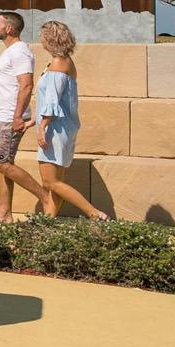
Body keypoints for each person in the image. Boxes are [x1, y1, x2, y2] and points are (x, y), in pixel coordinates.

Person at [34, 20, 109, 220]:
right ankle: (47, 221)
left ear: (50, 38)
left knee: (50, 182)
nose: (40, 41)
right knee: (55, 181)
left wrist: (42, 127)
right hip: (61, 128)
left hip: (54, 129)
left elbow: (52, 100)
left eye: (43, 36)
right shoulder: (62, 62)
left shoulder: (59, 63)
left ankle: (94, 214)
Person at [0, 10, 54, 221]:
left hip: (10, 118)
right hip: (1, 116)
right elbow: (4, 87)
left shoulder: (20, 52)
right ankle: (5, 212)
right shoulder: (9, 52)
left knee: (3, 164)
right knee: (1, 164)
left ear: (9, 28)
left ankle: (45, 198)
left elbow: (26, 85)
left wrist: (17, 117)